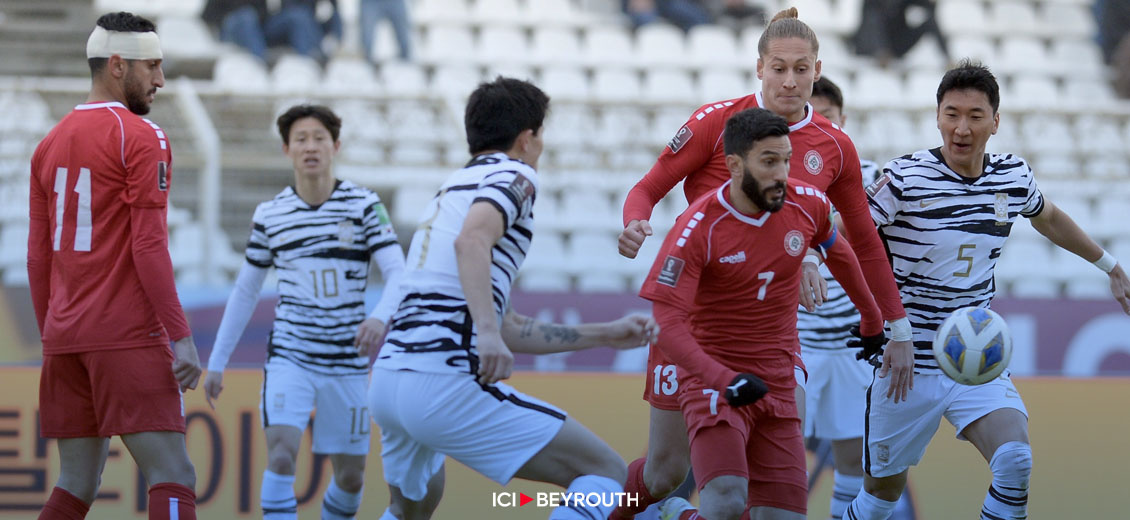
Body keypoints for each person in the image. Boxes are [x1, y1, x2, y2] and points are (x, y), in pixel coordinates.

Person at [612, 9, 914, 519]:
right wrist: (636, 222)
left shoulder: (835, 147)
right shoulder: (716, 122)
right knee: (666, 473)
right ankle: (604, 509)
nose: (790, 81)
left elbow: (857, 241)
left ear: (818, 70)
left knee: (763, 496)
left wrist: (891, 324)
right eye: (779, 67)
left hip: (771, 332)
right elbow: (648, 187)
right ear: (759, 68)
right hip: (695, 323)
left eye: (801, 69)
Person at [843, 60, 1130, 520]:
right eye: (951, 113)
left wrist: (1109, 265)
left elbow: (1049, 217)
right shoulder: (904, 178)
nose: (961, 127)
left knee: (1015, 460)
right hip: (904, 361)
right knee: (880, 498)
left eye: (975, 116)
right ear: (937, 117)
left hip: (971, 355)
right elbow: (848, 236)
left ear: (995, 122)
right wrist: (867, 311)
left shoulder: (1011, 177)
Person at [368, 77, 658, 520]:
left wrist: (605, 333)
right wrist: (485, 335)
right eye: (542, 135)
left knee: (413, 509)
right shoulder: (516, 174)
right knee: (607, 474)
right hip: (442, 379)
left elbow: (505, 324)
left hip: (390, 382)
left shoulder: (448, 190)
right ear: (528, 138)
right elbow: (473, 243)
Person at [639, 108, 885, 520]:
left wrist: (873, 320)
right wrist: (723, 379)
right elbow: (664, 324)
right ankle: (672, 512)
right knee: (727, 499)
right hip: (712, 378)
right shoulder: (697, 227)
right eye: (769, 162)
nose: (782, 173)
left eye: (787, 160)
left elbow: (840, 253)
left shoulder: (807, 205)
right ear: (734, 166)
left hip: (777, 380)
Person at [27, 12, 201, 520]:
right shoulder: (142, 136)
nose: (161, 80)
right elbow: (149, 247)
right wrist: (181, 335)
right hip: (125, 334)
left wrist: (54, 339)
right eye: (153, 66)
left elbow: (39, 257)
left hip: (64, 339)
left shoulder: (47, 144)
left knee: (76, 482)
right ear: (119, 66)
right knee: (174, 474)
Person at [202, 104, 404, 520]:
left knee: (351, 479)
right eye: (301, 139)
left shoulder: (365, 206)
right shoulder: (271, 215)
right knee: (280, 456)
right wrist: (217, 362)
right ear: (286, 150)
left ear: (336, 146)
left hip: (347, 362)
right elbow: (245, 290)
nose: (310, 146)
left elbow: (399, 274)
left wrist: (379, 316)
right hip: (290, 357)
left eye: (319, 138)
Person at [201, 0, 341, 64]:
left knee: (297, 16)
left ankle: (310, 64)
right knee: (246, 17)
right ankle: (259, 66)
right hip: (233, 31)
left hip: (259, 31)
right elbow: (207, 18)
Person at [851, 0, 950, 68]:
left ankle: (947, 59)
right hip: (871, 47)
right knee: (873, 19)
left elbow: (927, 7)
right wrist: (881, 50)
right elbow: (869, 25)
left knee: (930, 21)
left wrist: (932, 3)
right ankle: (882, 54)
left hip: (896, 45)